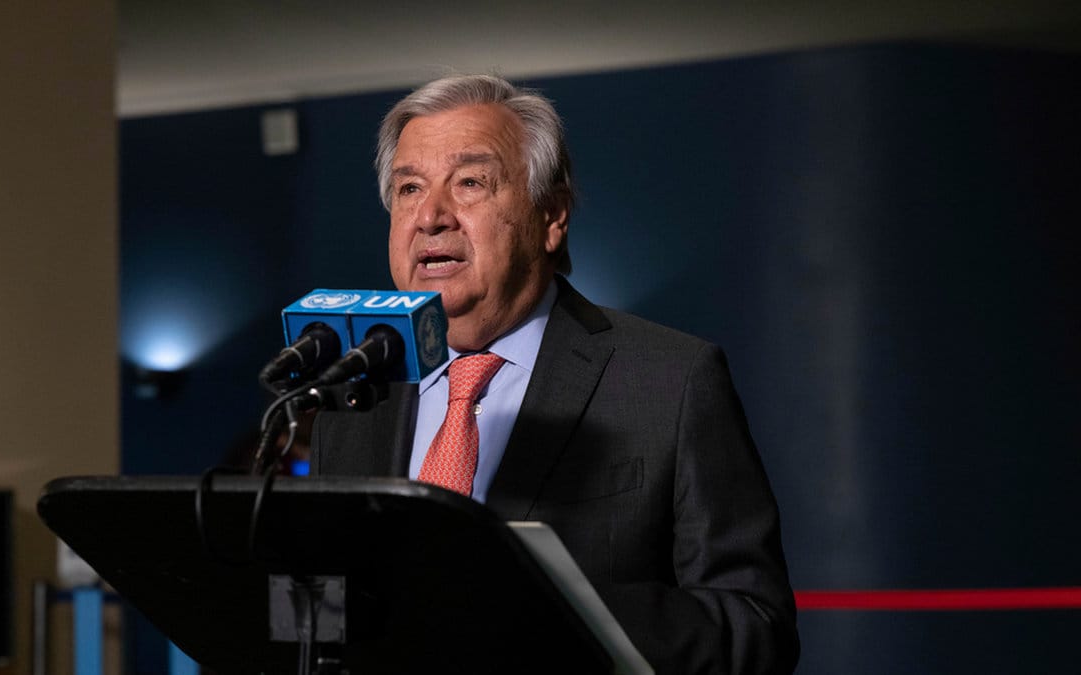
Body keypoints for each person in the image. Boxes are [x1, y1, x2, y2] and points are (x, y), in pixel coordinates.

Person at [309, 74, 799, 674]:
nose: (431, 216)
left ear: (551, 217)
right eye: (409, 188)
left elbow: (755, 627)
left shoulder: (670, 380)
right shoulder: (355, 394)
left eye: (470, 183)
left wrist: (561, 611)